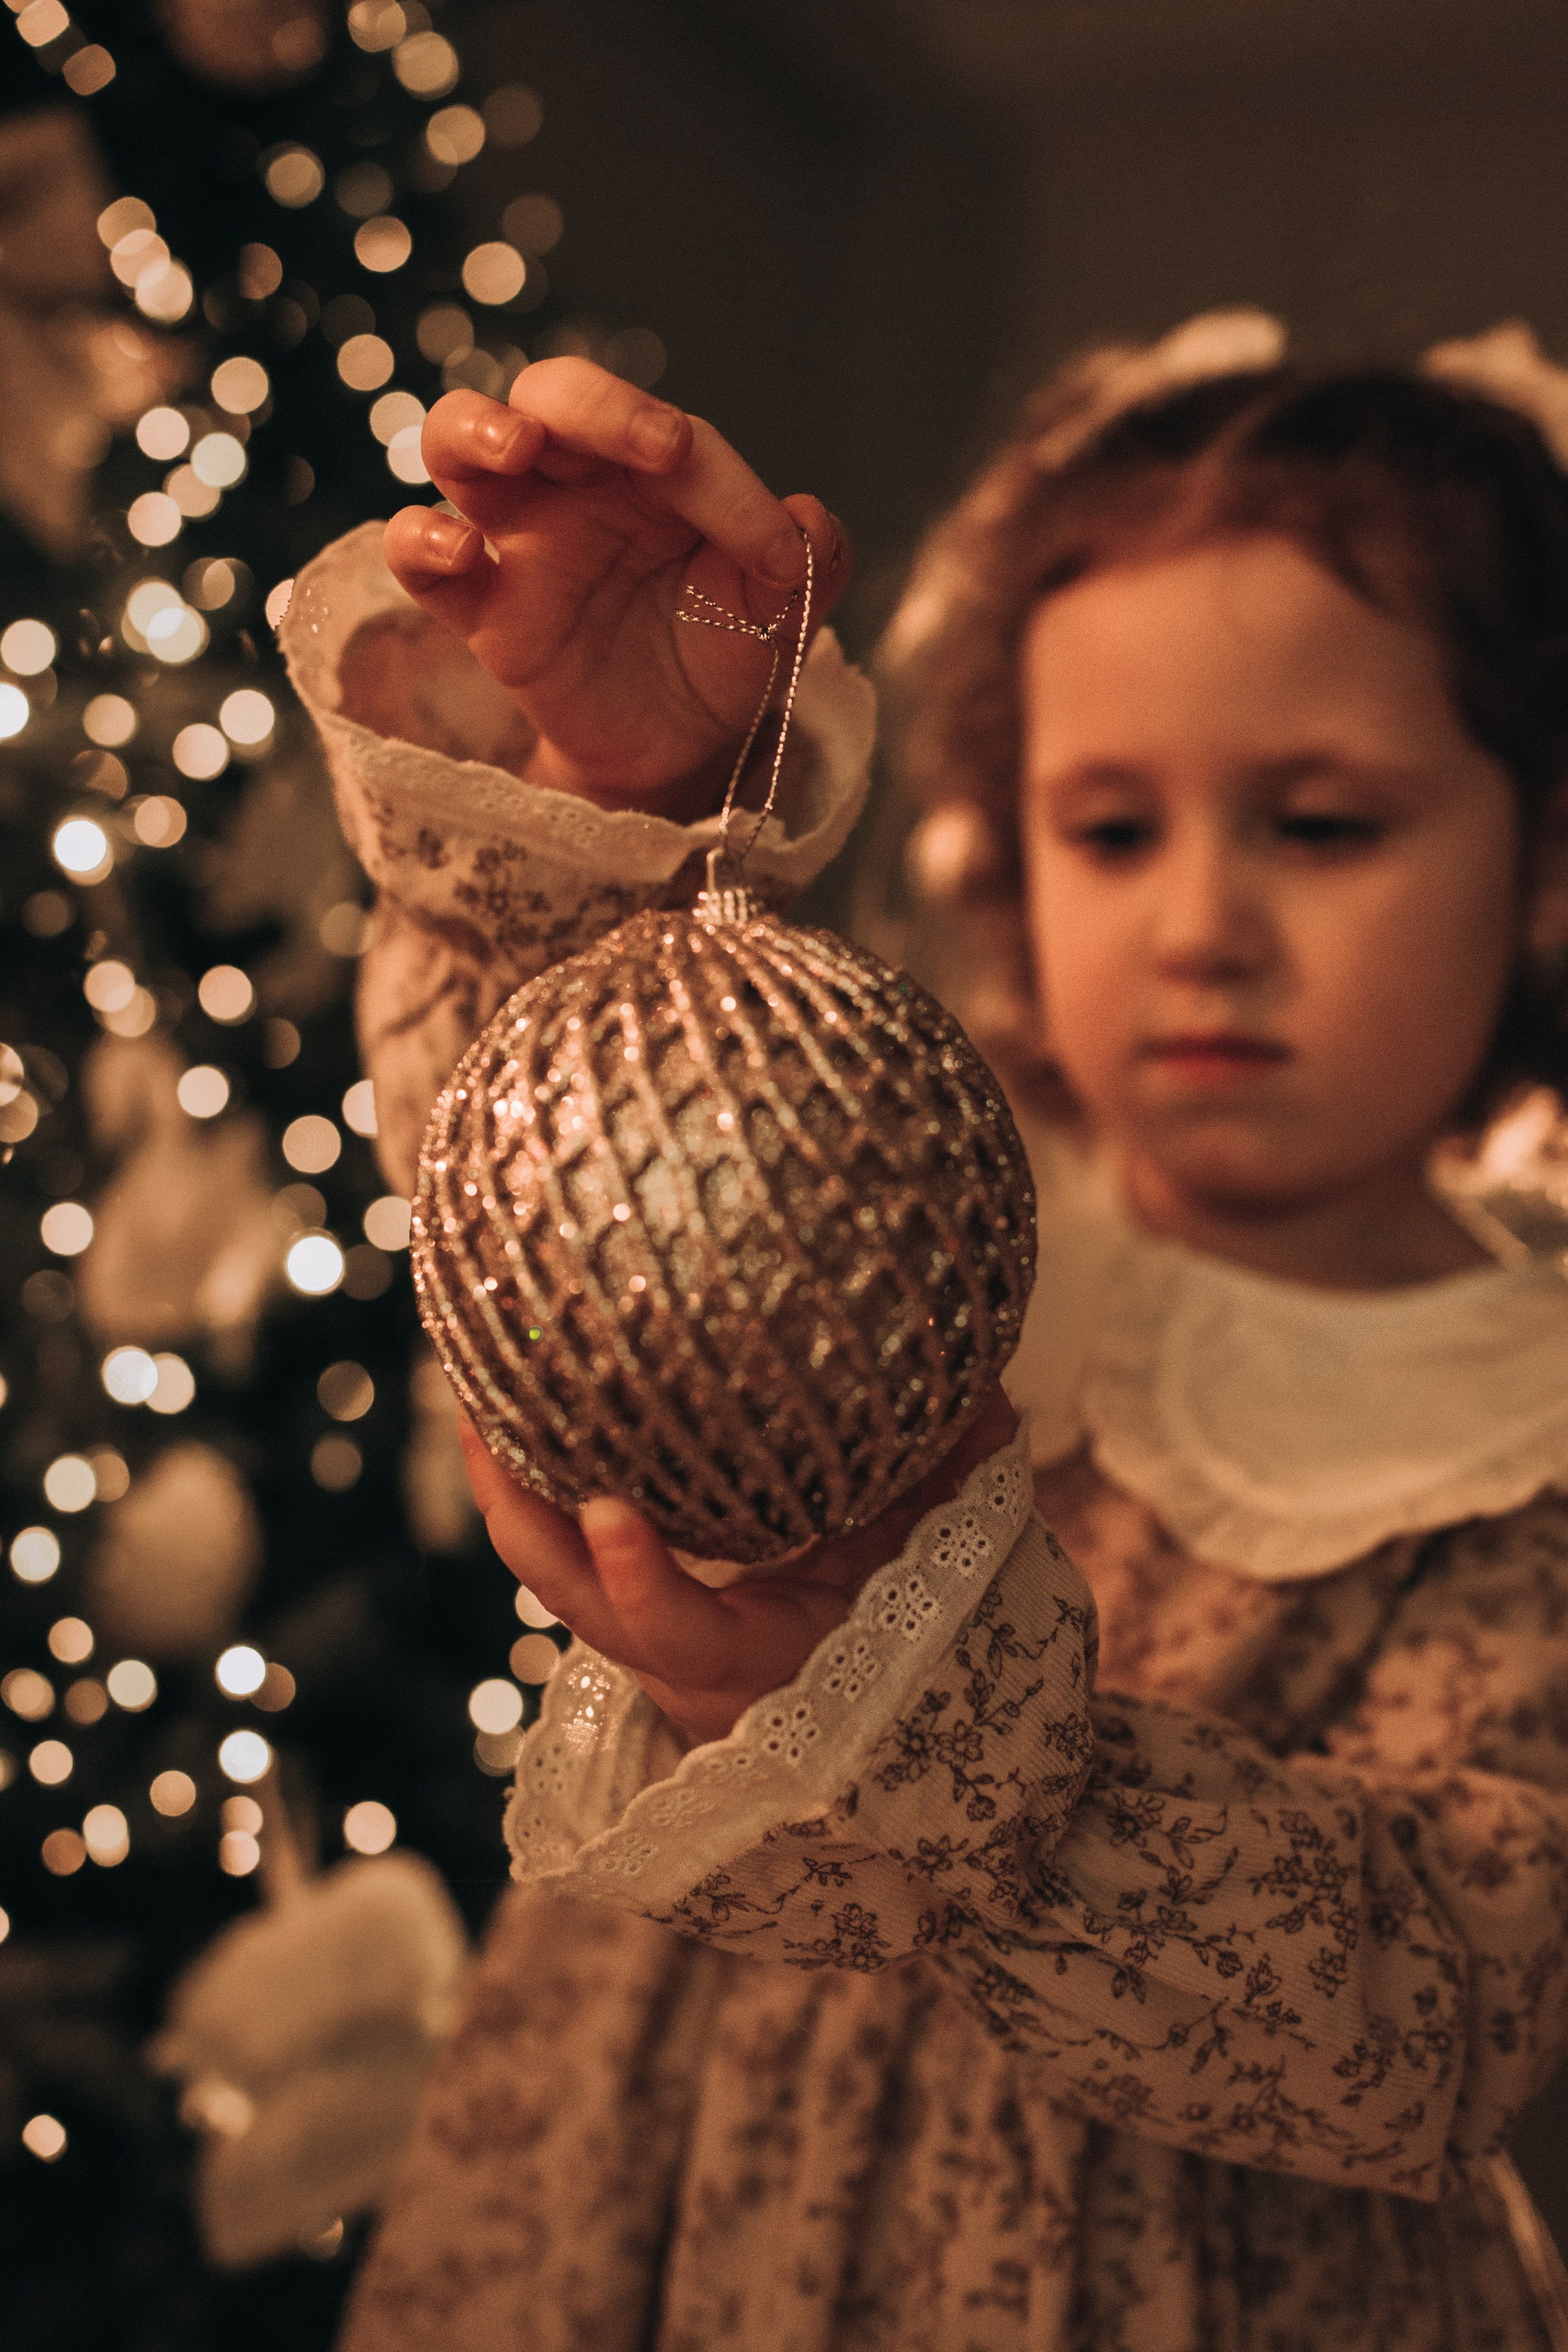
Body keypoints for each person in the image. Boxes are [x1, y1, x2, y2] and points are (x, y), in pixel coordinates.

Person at [279, 318, 1568, 2350]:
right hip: (644, 2213)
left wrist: (957, 1752)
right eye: (1113, 829)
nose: (1201, 922)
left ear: (1550, 862)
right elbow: (556, 1188)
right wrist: (627, 797)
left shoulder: (1529, 1441)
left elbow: (1439, 2009)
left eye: (1320, 824)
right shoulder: (909, 1202)